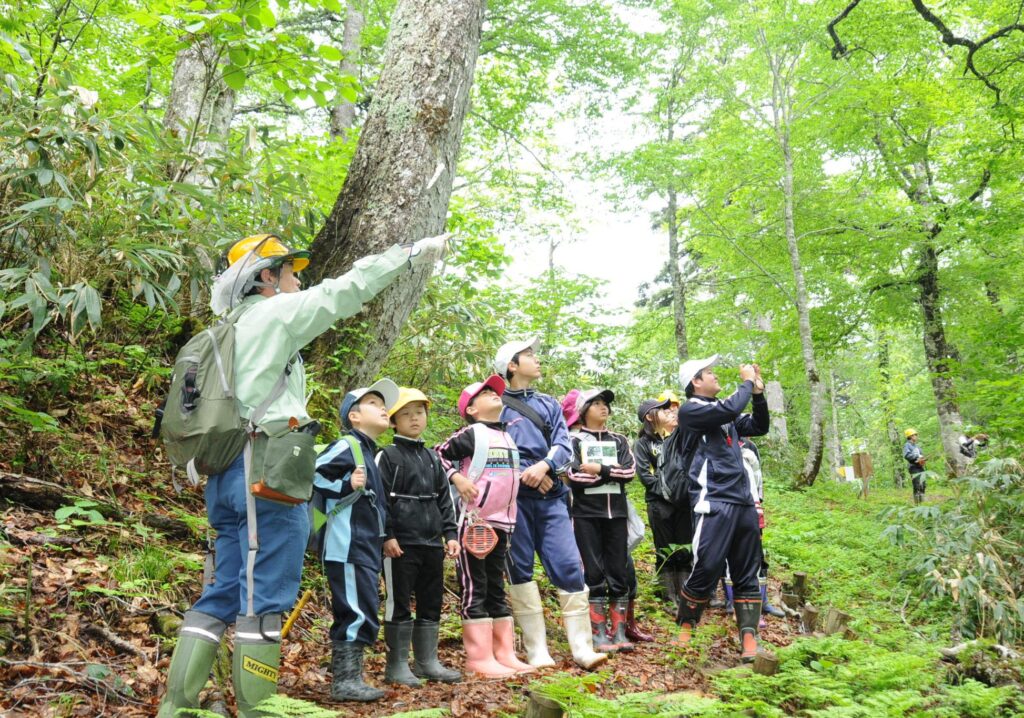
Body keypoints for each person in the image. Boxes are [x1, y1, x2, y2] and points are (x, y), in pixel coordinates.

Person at [158, 234, 445, 718]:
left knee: (226, 586)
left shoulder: (228, 329)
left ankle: (178, 705)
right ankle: (258, 708)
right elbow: (342, 293)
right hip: (266, 474)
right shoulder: (271, 315)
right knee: (267, 590)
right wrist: (407, 255)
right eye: (292, 272)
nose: (299, 280)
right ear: (266, 277)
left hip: (227, 474)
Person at [495, 338, 607, 670]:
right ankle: (537, 651)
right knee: (520, 569)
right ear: (512, 365)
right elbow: (490, 448)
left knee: (569, 565)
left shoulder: (548, 404)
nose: (536, 359)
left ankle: (582, 649)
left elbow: (563, 445)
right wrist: (523, 474)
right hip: (513, 501)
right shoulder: (495, 404)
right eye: (529, 355)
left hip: (552, 498)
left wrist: (544, 467)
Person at [673, 356, 770, 663]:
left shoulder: (723, 415)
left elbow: (759, 425)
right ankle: (686, 627)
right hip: (713, 501)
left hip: (742, 501)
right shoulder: (691, 411)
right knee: (707, 566)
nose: (716, 376)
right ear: (695, 382)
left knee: (746, 569)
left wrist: (757, 394)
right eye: (710, 373)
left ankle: (749, 638)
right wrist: (745, 381)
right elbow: (728, 408)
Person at [436, 375, 533, 677]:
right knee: (475, 586)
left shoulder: (508, 436)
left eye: (495, 392)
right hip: (475, 522)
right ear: (472, 409)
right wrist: (457, 478)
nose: (494, 394)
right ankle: (479, 658)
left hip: (504, 524)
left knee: (496, 586)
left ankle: (504, 653)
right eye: (486, 393)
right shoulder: (472, 433)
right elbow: (437, 454)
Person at [312, 379, 400, 702]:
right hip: (345, 545)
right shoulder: (347, 445)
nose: (383, 408)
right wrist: (346, 484)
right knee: (354, 610)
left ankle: (352, 678)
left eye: (383, 404)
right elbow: (313, 472)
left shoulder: (369, 453)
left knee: (364, 606)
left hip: (364, 547)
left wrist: (385, 537)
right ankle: (344, 682)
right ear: (354, 416)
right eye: (374, 403)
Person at [377, 388, 461, 686]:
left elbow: (444, 499)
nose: (414, 418)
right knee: (398, 601)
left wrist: (450, 534)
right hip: (400, 544)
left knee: (431, 600)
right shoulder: (386, 456)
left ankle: (427, 662)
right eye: (406, 414)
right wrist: (386, 536)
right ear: (393, 421)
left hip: (431, 544)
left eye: (419, 412)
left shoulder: (431, 457)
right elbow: (379, 499)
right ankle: (396, 665)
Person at [566, 389, 637, 653]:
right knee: (593, 572)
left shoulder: (618, 440)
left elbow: (630, 471)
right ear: (583, 410)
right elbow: (573, 476)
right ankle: (598, 634)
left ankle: (618, 633)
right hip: (585, 514)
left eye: (605, 403)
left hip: (616, 514)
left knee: (618, 571)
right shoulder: (573, 440)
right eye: (595, 403)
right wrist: (611, 475)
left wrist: (600, 470)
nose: (603, 407)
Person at [634, 397, 691, 612]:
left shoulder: (681, 438)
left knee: (685, 548)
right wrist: (668, 493)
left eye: (671, 410)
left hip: (684, 503)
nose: (670, 413)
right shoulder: (644, 443)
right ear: (650, 416)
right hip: (660, 504)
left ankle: (685, 596)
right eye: (663, 410)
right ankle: (669, 598)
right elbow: (645, 476)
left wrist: (683, 493)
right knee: (665, 548)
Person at [903, 428, 926, 505]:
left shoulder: (917, 446)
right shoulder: (907, 445)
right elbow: (907, 455)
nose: (916, 436)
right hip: (913, 467)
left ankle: (922, 503)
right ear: (910, 436)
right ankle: (917, 504)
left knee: (923, 484)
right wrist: (916, 457)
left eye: (916, 435)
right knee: (917, 484)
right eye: (914, 435)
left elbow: (921, 455)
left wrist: (923, 459)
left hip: (920, 467)